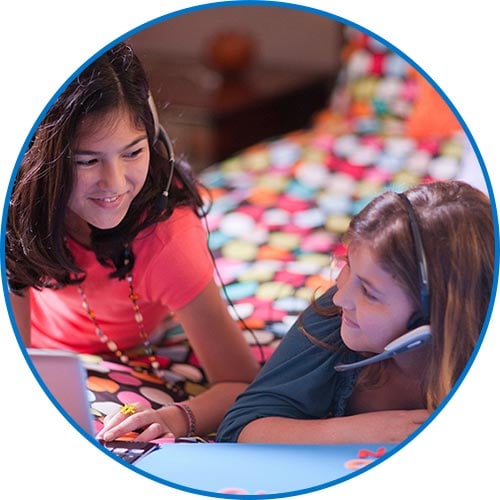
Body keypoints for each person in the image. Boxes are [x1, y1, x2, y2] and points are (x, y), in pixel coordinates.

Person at [6, 42, 260, 441]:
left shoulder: (167, 240)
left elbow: (244, 385)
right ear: (41, 163)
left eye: (133, 152)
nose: (114, 183)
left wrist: (176, 418)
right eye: (87, 161)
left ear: (154, 139)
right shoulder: (18, 209)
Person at [217, 180, 494, 444]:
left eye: (370, 293)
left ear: (435, 316)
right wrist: (364, 430)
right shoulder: (332, 320)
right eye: (347, 264)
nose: (341, 298)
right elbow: (240, 427)